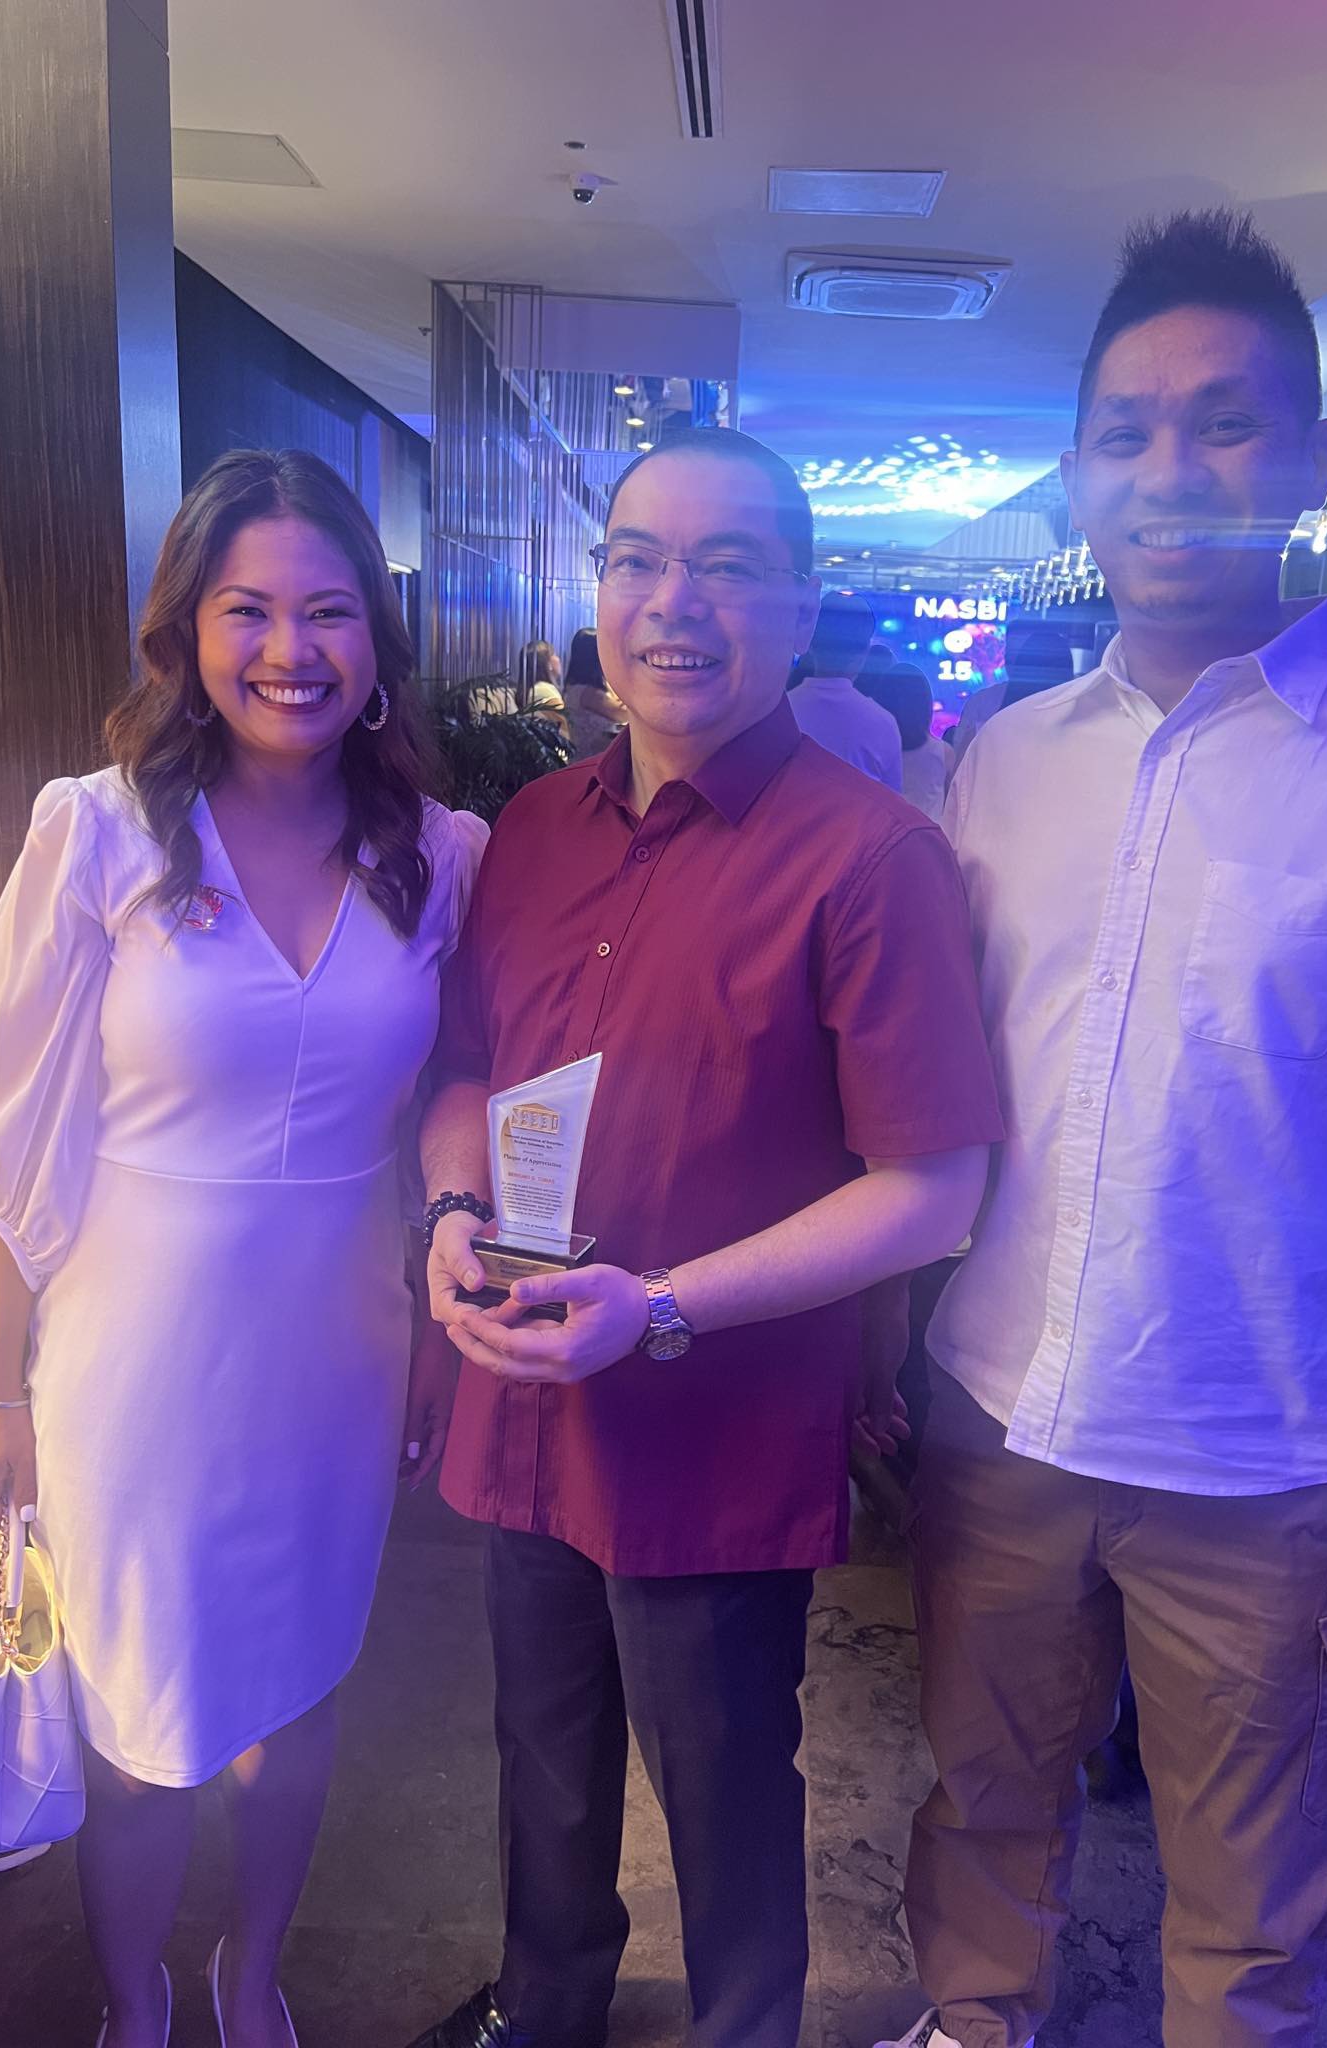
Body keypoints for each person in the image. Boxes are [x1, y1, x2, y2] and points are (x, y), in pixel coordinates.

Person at [884, 209, 1327, 2048]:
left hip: (1280, 1459)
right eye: (1127, 432)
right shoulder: (999, 761)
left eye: (1226, 425)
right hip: (999, 1418)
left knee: (1258, 1924)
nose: (1172, 471)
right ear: (1077, 473)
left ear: (1313, 458)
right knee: (982, 1818)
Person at [404, 426, 1002, 2048]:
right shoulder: (533, 828)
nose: (675, 601)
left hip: (713, 1433)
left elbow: (930, 1188)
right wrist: (453, 1209)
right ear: (597, 591)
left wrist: (658, 1304)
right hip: (524, 1389)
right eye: (637, 560)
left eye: (728, 564)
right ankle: (546, 2012)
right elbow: (466, 1071)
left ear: (798, 606)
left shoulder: (871, 856)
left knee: (726, 1786)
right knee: (540, 1756)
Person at [0, 449, 485, 2048]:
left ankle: (254, 1983)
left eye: (329, 611)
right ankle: (138, 2003)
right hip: (134, 1361)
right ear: (185, 630)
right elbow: (12, 1139)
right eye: (248, 609)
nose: (290, 649)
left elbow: (449, 1108)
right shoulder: (99, 834)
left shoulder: (443, 854)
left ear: (377, 637)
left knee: (303, 1702)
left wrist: (440, 1335)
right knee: (137, 1727)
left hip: (339, 1354)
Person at [787, 592, 904, 790]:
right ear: (865, 652)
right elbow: (892, 801)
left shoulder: (780, 711)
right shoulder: (883, 723)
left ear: (810, 645)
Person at [940, 626, 1075, 774]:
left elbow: (959, 773)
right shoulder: (982, 704)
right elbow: (960, 770)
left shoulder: (982, 704)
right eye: (1009, 656)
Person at [857, 660, 947, 819]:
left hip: (882, 830)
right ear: (925, 704)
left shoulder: (868, 750)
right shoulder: (944, 753)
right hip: (930, 833)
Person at [560, 624, 627, 761]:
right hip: (594, 761)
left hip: (587, 758)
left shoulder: (577, 687)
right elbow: (622, 714)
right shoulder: (588, 693)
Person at [470, 641, 567, 731]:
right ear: (548, 664)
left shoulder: (534, 689)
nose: (559, 659)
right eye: (555, 654)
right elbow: (565, 728)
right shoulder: (545, 690)